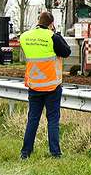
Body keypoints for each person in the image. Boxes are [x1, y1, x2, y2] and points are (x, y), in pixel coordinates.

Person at [20, 11, 71, 159]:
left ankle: (25, 153)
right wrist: (58, 34)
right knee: (53, 120)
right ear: (51, 24)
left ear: (38, 21)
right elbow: (66, 52)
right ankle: (55, 153)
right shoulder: (52, 37)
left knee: (33, 119)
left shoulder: (25, 37)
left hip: (34, 84)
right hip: (52, 86)